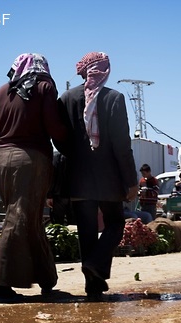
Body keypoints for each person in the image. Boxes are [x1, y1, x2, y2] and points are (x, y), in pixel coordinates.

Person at [0, 53, 68, 303]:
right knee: (20, 216)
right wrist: (72, 145)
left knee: (30, 217)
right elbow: (54, 127)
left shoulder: (1, 91)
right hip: (28, 160)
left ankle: (46, 278)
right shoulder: (45, 86)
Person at [58, 51, 138, 300]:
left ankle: (93, 285)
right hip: (109, 177)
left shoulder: (66, 99)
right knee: (115, 223)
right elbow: (121, 144)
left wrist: (74, 155)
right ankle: (94, 264)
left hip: (78, 177)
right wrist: (131, 180)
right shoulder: (114, 98)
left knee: (86, 230)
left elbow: (58, 139)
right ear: (105, 70)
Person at [47, 150, 75, 225]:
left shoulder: (55, 156)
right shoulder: (78, 154)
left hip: (59, 194)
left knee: (57, 223)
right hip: (75, 194)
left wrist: (49, 195)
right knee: (74, 223)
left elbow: (52, 176)